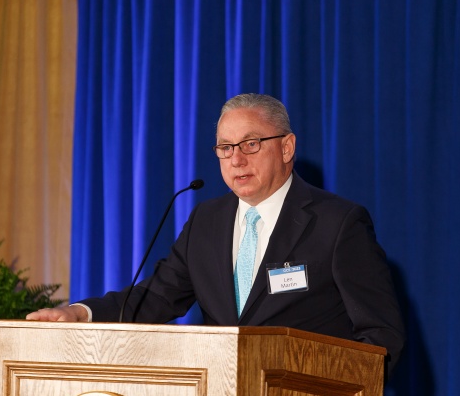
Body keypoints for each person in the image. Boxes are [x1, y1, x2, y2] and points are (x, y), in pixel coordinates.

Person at [27, 93, 405, 375]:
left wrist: (330, 390)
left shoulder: (337, 224)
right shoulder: (206, 222)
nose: (237, 159)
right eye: (226, 147)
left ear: (287, 147)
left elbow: (381, 338)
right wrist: (81, 313)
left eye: (251, 144)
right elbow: (155, 298)